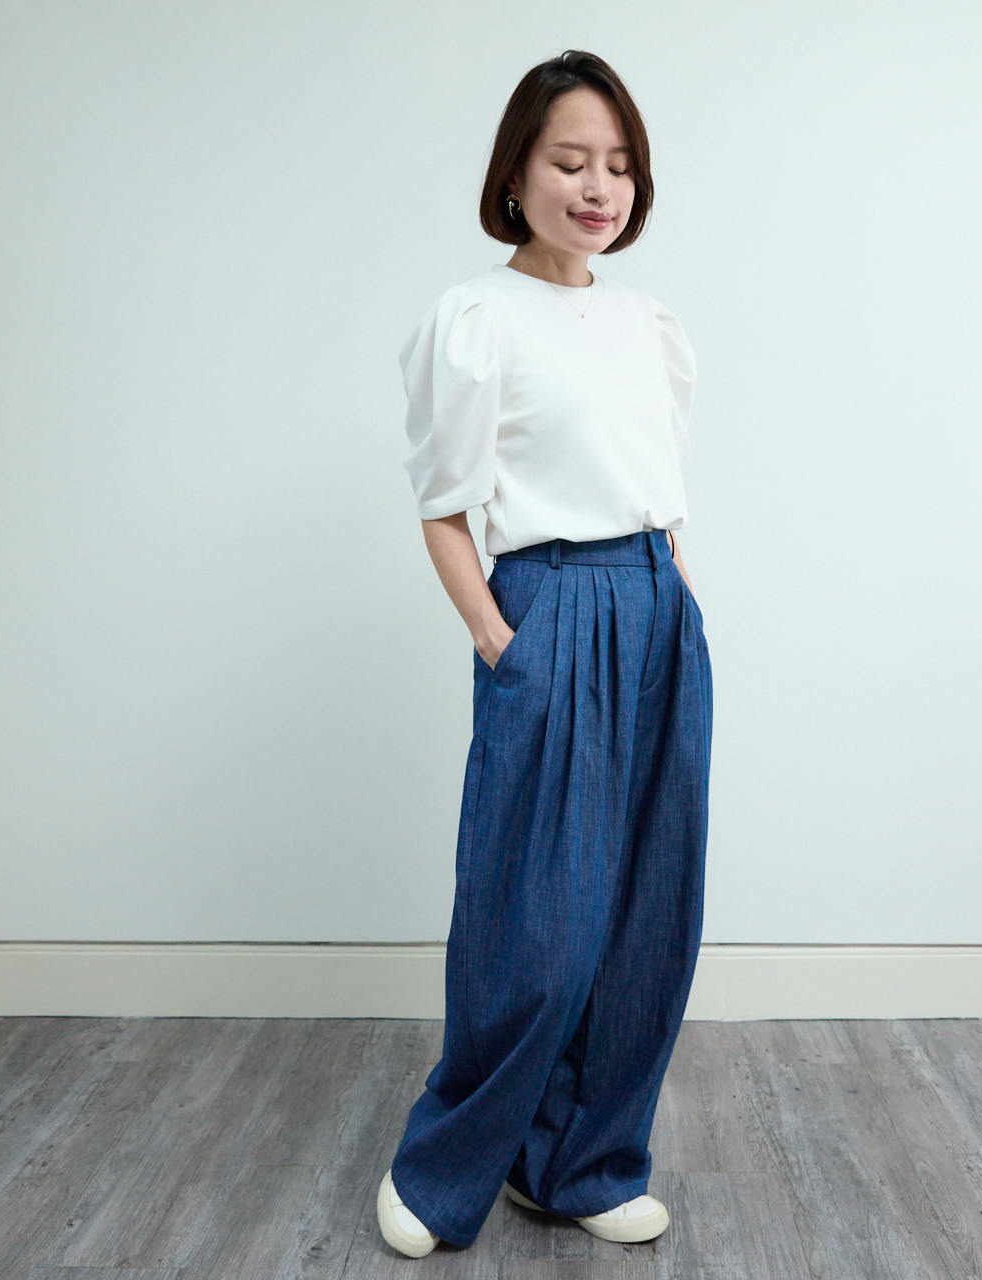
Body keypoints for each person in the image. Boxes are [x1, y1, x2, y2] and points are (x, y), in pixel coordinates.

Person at [377, 49, 713, 1258]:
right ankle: (441, 1167)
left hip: (655, 603)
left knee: (645, 914)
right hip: (547, 604)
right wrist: (498, 637)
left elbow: (651, 484)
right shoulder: (477, 319)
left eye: (617, 164)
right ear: (515, 173)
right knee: (536, 920)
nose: (597, 186)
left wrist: (671, 594)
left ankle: (581, 1161)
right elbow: (443, 506)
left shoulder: (647, 323)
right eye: (570, 160)